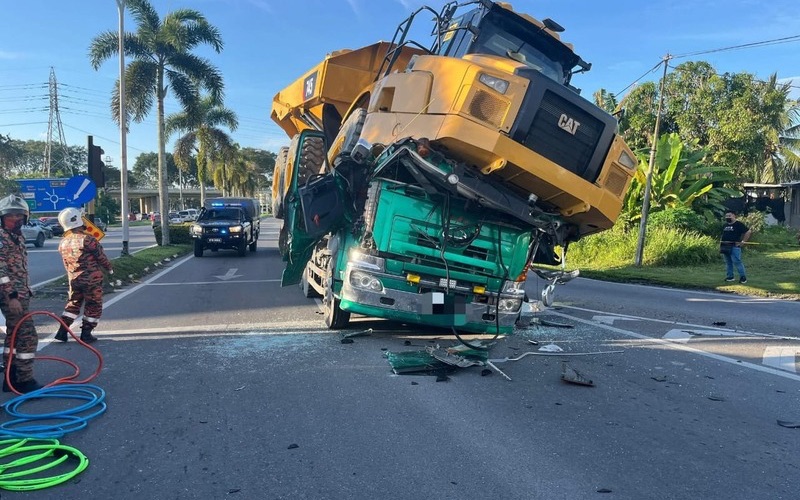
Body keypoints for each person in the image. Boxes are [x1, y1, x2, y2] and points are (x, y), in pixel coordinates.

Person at [0, 194, 42, 393]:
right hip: (11, 296)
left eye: (19, 216)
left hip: (20, 293)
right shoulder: (1, 236)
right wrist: (12, 296)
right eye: (10, 216)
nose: (15, 219)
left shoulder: (17, 236)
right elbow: (1, 270)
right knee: (27, 336)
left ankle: (11, 377)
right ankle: (24, 380)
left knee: (13, 335)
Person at [54, 207, 113, 344]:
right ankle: (86, 333)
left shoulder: (63, 242)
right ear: (78, 221)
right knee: (93, 305)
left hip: (74, 279)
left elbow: (66, 263)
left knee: (73, 305)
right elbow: (101, 257)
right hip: (91, 280)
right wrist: (109, 269)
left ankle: (62, 332)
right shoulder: (88, 240)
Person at [720, 211, 751, 284]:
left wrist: (743, 242)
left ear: (734, 216)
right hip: (725, 246)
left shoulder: (738, 224)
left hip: (734, 246)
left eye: (729, 216)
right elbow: (722, 235)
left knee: (737, 261)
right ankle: (730, 277)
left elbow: (748, 231)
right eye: (726, 216)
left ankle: (743, 277)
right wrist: (720, 245)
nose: (727, 217)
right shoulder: (725, 225)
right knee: (728, 262)